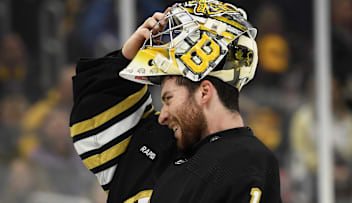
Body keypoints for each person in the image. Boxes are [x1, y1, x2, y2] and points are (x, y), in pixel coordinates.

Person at [70, 1, 281, 202]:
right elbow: (92, 126)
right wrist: (123, 60)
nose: (162, 116)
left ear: (204, 92)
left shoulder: (245, 159)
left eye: (168, 99)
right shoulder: (158, 144)